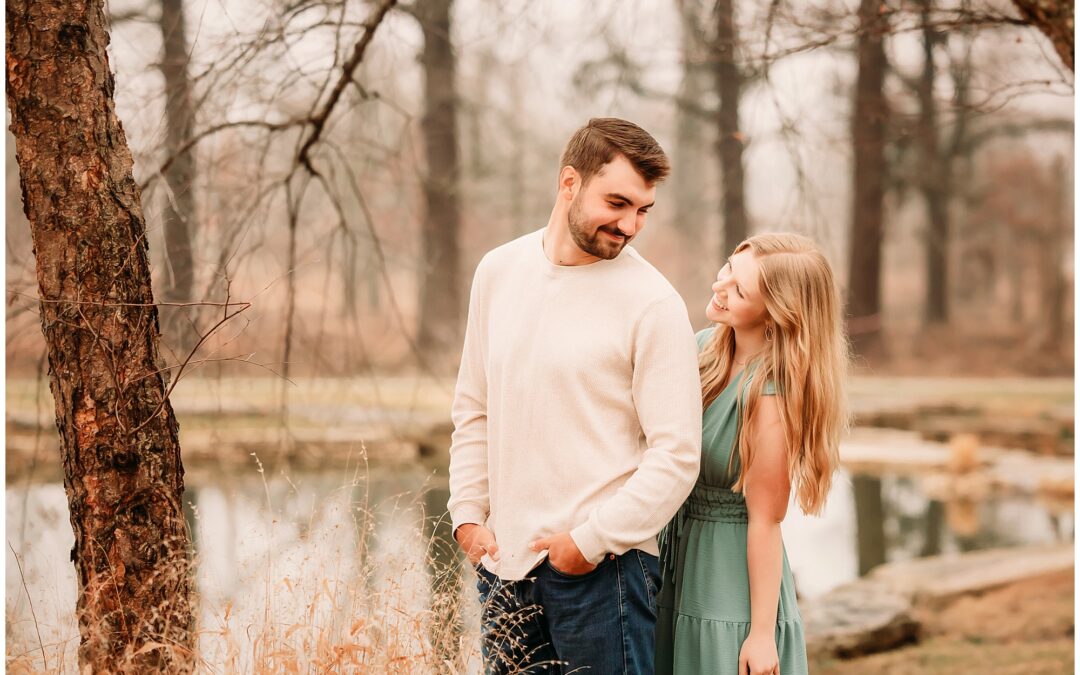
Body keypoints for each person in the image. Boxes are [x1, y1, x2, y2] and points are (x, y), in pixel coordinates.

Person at [447, 117, 702, 673]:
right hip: (504, 569)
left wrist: (589, 542)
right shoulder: (498, 272)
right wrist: (467, 512)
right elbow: (475, 407)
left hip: (604, 573)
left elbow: (677, 455)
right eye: (617, 203)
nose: (631, 224)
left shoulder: (653, 303)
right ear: (569, 183)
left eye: (642, 210)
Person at [655, 233, 849, 675]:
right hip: (675, 556)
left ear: (775, 316)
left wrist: (760, 635)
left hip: (727, 576)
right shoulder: (704, 346)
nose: (719, 286)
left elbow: (766, 519)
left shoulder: (771, 394)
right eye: (728, 269)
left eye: (739, 291)